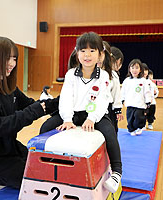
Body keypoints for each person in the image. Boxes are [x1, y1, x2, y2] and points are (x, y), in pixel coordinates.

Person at [0, 36, 57, 196]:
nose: (11, 63)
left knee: (43, 166)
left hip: (8, 147)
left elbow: (30, 104)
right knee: (35, 179)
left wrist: (57, 104)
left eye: (14, 58)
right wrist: (36, 110)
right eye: (6, 58)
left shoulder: (7, 84)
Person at [39, 32, 122, 193]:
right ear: (77, 54)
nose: (87, 55)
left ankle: (117, 172)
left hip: (95, 115)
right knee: (45, 127)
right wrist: (68, 119)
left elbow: (102, 100)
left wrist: (92, 118)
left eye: (92, 51)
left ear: (100, 54)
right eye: (83, 50)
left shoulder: (104, 76)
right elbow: (66, 98)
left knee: (110, 133)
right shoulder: (71, 74)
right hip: (73, 114)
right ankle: (49, 165)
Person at [98, 41, 123, 134]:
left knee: (111, 130)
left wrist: (117, 109)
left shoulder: (112, 75)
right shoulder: (90, 73)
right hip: (92, 107)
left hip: (108, 109)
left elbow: (116, 93)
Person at [121, 59, 151, 136]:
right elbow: (123, 91)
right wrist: (122, 100)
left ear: (140, 69)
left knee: (139, 118)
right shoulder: (126, 81)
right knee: (130, 119)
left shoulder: (143, 80)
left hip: (140, 104)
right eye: (132, 68)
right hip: (130, 104)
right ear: (129, 69)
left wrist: (148, 102)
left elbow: (147, 92)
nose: (134, 70)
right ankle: (131, 129)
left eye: (137, 68)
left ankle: (139, 127)